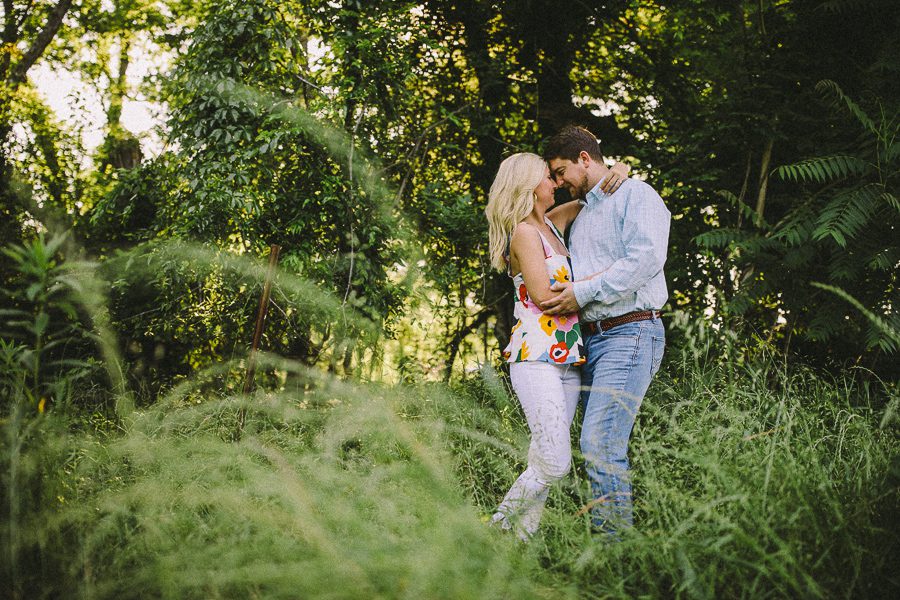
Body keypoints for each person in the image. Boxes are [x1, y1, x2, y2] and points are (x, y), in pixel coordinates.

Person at [484, 152, 628, 540]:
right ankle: (497, 527)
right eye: (548, 177)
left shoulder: (551, 223)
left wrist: (618, 170)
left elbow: (593, 198)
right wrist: (608, 278)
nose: (556, 183)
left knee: (542, 459)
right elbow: (545, 297)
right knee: (555, 462)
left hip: (568, 360)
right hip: (536, 358)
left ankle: (518, 545)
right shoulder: (523, 233)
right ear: (530, 185)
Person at [541, 125, 669, 535]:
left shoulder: (637, 195)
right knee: (595, 444)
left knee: (600, 444)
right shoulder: (581, 214)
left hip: (630, 332)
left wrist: (581, 293)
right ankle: (611, 543)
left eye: (561, 172)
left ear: (584, 158)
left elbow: (645, 259)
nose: (559, 183)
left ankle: (616, 556)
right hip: (590, 341)